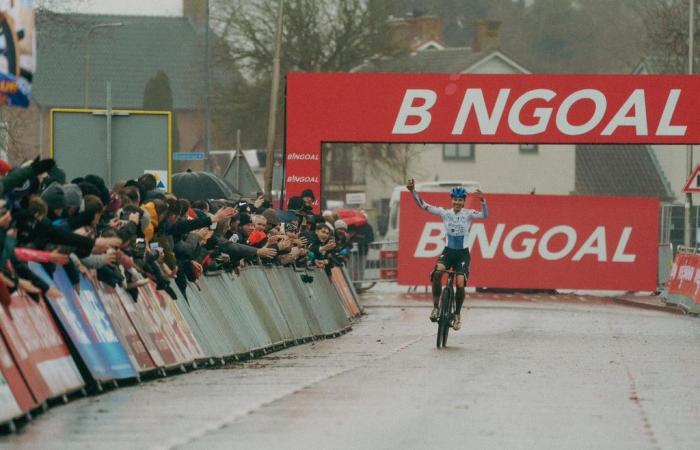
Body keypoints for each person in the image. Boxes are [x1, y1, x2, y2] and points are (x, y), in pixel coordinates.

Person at [406, 179, 488, 331]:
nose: (457, 202)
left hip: (463, 254)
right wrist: (412, 191)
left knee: (460, 282)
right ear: (452, 200)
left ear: (464, 202)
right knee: (437, 274)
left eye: (460, 200)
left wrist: (483, 201)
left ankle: (457, 314)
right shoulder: (445, 213)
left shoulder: (469, 214)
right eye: (455, 199)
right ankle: (436, 308)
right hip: (448, 251)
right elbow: (424, 206)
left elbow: (485, 215)